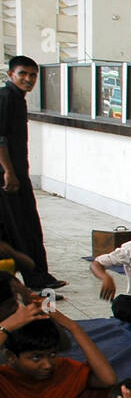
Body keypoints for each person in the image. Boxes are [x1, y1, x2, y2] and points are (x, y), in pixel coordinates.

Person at [0, 55, 63, 289]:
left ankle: (19, 280)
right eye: (23, 74)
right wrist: (9, 172)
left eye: (33, 75)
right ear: (10, 75)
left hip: (16, 173)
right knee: (23, 226)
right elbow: (0, 139)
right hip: (9, 176)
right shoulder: (6, 98)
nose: (28, 79)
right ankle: (36, 278)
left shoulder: (17, 98)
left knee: (13, 228)